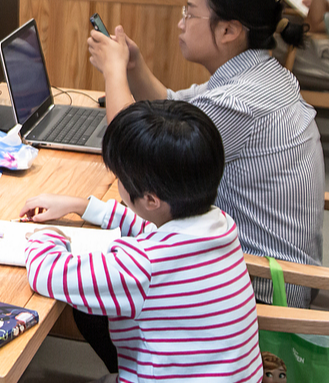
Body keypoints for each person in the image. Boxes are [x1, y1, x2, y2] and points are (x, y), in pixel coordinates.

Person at [87, 0, 324, 308]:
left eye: (190, 14)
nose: (181, 23)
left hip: (262, 283)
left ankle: (157, 363)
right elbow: (174, 108)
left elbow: (136, 156)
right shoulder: (257, 73)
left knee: (100, 291)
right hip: (269, 264)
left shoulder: (238, 101)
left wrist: (114, 71)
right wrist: (135, 69)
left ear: (229, 31)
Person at [22, 100, 262, 382]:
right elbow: (151, 227)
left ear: (150, 199)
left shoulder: (142, 266)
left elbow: (45, 273)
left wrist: (47, 237)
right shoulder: (219, 224)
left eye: (120, 176)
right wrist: (82, 206)